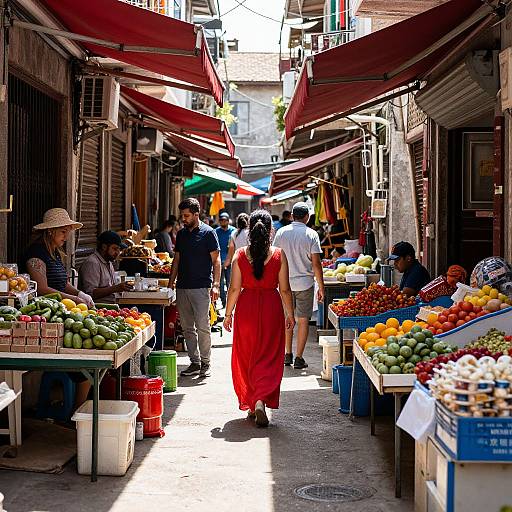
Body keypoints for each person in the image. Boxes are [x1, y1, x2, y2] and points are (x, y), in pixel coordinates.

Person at [223, 210, 295, 427]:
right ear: (270, 230)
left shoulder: (240, 255)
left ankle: (254, 400)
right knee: (269, 356)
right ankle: (260, 400)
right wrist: (290, 314)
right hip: (272, 308)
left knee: (247, 356)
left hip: (246, 309)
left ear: (249, 230)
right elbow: (285, 290)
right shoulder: (278, 255)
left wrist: (227, 314)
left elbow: (234, 288)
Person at [169, 198, 221, 378]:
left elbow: (217, 261)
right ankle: (194, 362)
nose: (183, 218)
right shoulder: (182, 235)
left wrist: (215, 285)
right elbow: (177, 260)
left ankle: (206, 362)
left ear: (196, 214)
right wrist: (170, 285)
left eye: (186, 215)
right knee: (187, 327)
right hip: (182, 287)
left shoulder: (209, 233)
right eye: (182, 215)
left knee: (202, 326)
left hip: (201, 287)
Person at [273, 202, 324, 369]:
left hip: (284, 284)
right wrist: (321, 287)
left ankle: (287, 354)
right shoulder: (311, 234)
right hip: (305, 284)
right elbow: (316, 263)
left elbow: (274, 257)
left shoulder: (281, 232)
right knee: (303, 321)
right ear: (307, 217)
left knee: (288, 318)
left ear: (293, 216)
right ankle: (299, 358)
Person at [22, 208, 94, 308]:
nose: (66, 237)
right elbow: (42, 289)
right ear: (50, 231)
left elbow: (62, 282)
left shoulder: (55, 252)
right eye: (63, 232)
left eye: (68, 232)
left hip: (58, 307)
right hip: (42, 308)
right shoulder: (36, 253)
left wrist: (79, 294)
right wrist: (75, 299)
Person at [79, 231, 132, 303]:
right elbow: (90, 294)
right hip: (97, 309)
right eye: (115, 249)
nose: (118, 252)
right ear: (104, 247)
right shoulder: (92, 263)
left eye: (119, 249)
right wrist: (116, 288)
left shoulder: (109, 262)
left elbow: (111, 287)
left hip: (111, 306)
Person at [215, 212, 236, 308]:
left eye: (224, 220)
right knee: (220, 283)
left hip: (231, 261)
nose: (223, 222)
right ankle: (224, 301)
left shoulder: (234, 232)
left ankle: (229, 302)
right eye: (221, 220)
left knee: (230, 283)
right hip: (218, 261)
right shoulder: (215, 232)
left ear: (228, 221)